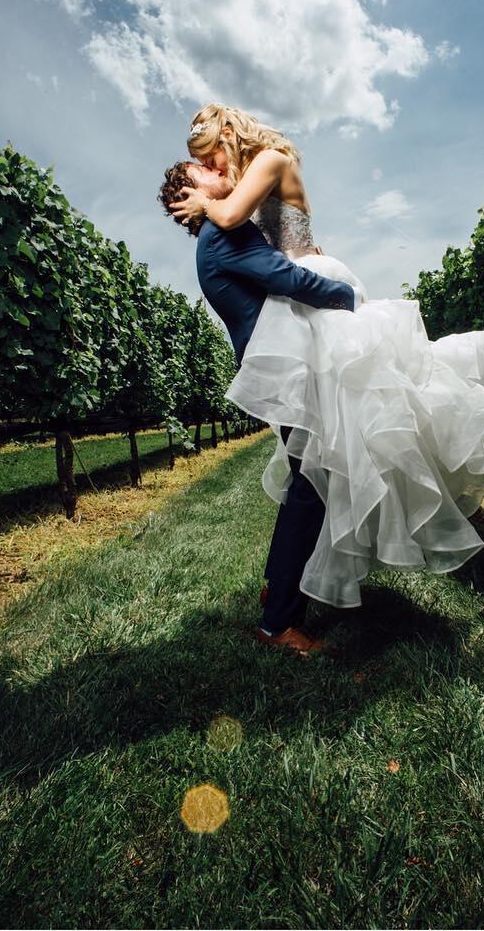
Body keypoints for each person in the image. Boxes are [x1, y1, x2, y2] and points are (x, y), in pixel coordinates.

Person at [167, 103, 484, 619]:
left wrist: (209, 202)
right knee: (322, 466)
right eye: (205, 167)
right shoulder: (226, 224)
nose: (217, 170)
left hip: (305, 309)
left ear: (228, 135)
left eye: (211, 158)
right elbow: (252, 239)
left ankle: (288, 594)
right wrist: (206, 200)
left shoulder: (268, 161)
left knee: (336, 450)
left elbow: (253, 229)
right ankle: (285, 605)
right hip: (300, 313)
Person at [158, 160, 357, 657]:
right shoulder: (222, 237)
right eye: (201, 170)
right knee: (311, 484)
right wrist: (348, 294)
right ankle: (279, 623)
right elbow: (286, 277)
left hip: (278, 368)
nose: (216, 167)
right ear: (191, 191)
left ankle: (277, 590)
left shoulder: (217, 237)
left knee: (304, 481)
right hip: (285, 369)